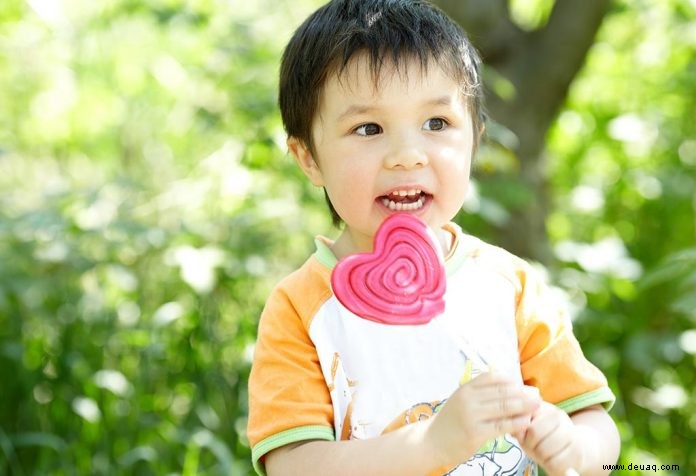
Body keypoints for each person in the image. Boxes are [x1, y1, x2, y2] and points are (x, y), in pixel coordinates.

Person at [247, 1, 620, 475]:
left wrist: (577, 448)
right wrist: (431, 444)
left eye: (437, 124)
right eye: (368, 128)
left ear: (475, 139)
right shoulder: (301, 308)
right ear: (309, 158)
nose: (407, 155)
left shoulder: (509, 287)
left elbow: (591, 418)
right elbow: (293, 466)